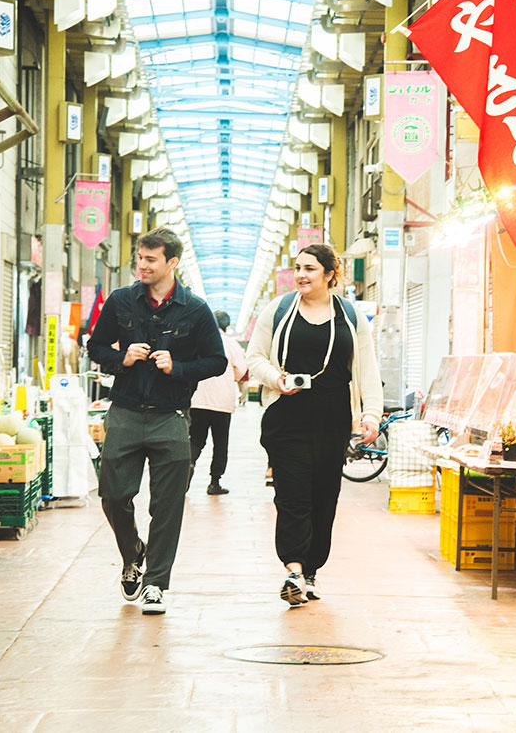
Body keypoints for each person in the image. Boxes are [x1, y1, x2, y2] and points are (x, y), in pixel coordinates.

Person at [87, 227, 227, 615]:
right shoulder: (120, 302)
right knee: (113, 495)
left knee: (167, 505)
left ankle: (155, 584)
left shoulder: (195, 309)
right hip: (126, 412)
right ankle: (133, 553)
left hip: (171, 417)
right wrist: (121, 358)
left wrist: (178, 367)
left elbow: (216, 361)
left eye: (150, 259)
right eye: (139, 258)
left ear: (172, 263)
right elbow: (95, 346)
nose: (141, 265)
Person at [247, 244, 383, 607]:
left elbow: (367, 369)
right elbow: (254, 357)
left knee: (325, 498)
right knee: (292, 496)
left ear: (329, 274)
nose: (301, 275)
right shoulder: (278, 310)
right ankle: (292, 570)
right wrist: (277, 379)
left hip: (333, 419)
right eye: (297, 268)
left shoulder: (351, 317)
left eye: (310, 268)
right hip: (286, 418)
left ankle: (310, 571)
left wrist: (371, 414)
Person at [188, 311, 248, 495]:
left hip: (197, 399)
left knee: (196, 439)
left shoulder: (197, 341)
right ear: (226, 326)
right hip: (222, 402)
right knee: (220, 442)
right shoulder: (231, 344)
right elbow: (241, 370)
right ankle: (215, 482)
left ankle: (187, 468)